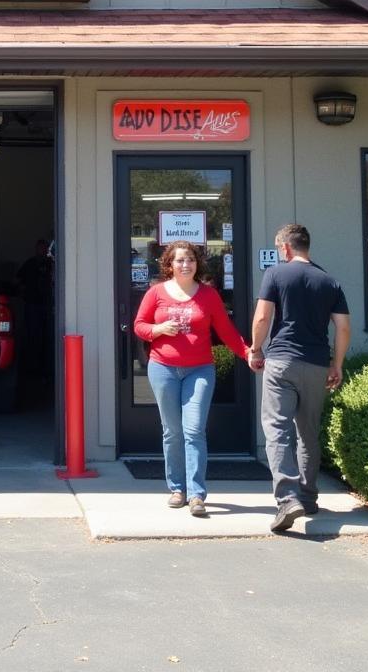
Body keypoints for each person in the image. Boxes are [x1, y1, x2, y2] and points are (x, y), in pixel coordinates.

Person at [133, 240, 253, 517]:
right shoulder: (156, 293)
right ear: (169, 264)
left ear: (197, 264)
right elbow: (139, 326)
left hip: (200, 369)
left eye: (190, 260)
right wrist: (159, 328)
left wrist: (247, 353)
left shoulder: (208, 295)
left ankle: (197, 493)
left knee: (194, 429)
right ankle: (177, 488)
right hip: (163, 368)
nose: (185, 264)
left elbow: (226, 331)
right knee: (172, 431)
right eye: (179, 260)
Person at [250, 223, 351, 533]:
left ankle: (287, 498)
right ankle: (307, 497)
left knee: (277, 429)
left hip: (281, 361)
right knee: (308, 432)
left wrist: (255, 349)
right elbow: (344, 328)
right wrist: (337, 364)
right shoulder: (329, 281)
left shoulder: (276, 275)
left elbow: (264, 316)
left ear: (286, 248)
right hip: (317, 363)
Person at [16, 238, 54, 374]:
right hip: (32, 305)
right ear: (36, 249)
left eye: (44, 248)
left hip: (48, 306)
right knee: (33, 337)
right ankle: (33, 369)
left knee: (48, 338)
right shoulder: (30, 264)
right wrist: (24, 294)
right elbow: (19, 280)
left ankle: (47, 369)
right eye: (40, 247)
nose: (42, 250)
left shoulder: (51, 263)